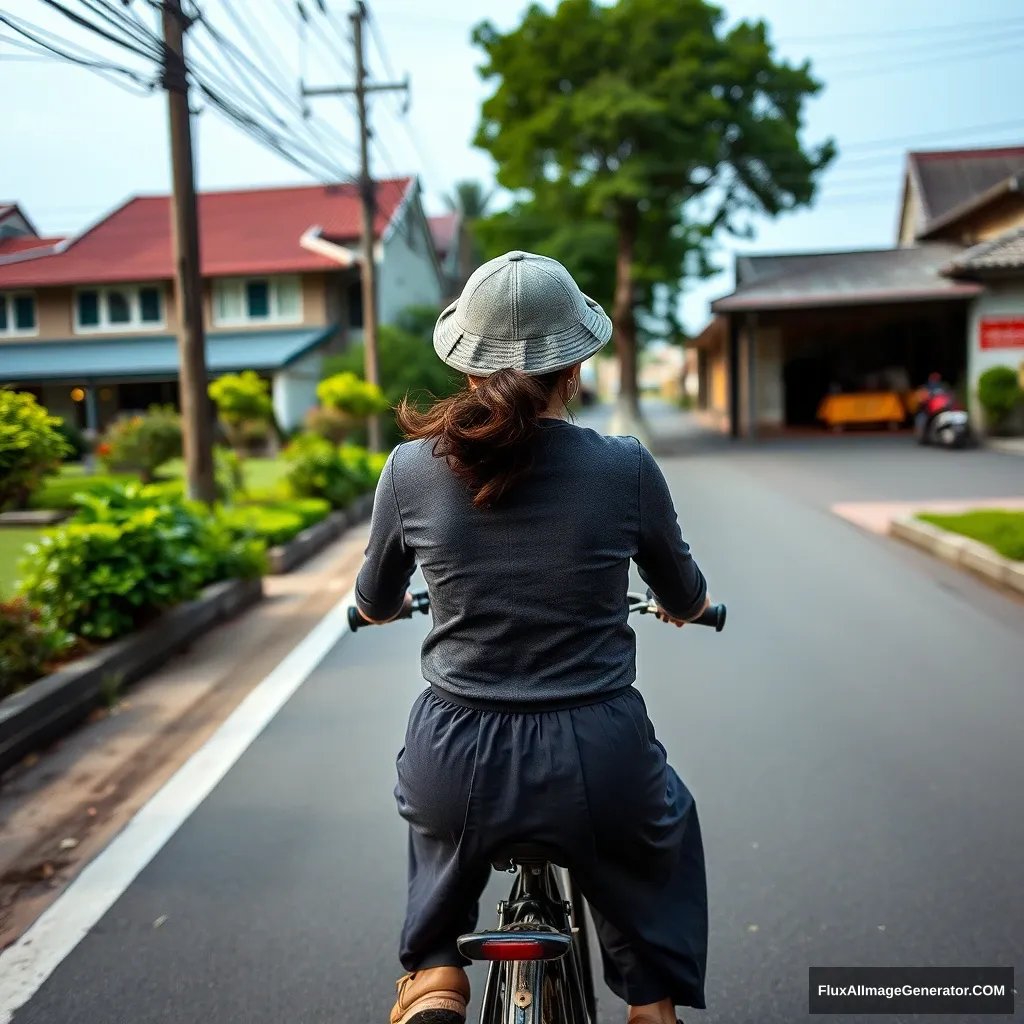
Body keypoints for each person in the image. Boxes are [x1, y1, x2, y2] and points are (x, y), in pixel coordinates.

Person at [355, 251, 712, 1024]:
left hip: (456, 756)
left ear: (467, 365)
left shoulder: (410, 469)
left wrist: (383, 606)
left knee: (436, 834)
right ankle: (650, 1004)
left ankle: (436, 973)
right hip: (598, 754)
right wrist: (691, 605)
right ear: (574, 366)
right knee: (650, 840)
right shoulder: (625, 469)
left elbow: (374, 599)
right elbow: (681, 590)